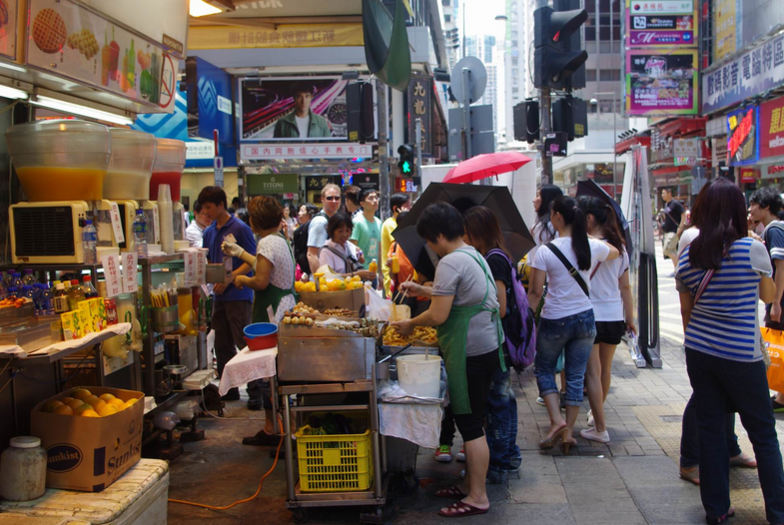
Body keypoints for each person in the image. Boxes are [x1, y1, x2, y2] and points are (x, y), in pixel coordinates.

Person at [676, 178, 784, 525]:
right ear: (739, 211)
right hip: (742, 357)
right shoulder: (751, 249)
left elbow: (687, 311)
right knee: (764, 435)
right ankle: (778, 513)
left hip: (701, 352)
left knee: (711, 431)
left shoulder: (689, 253)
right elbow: (768, 297)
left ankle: (717, 510)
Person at [392, 202, 504, 518]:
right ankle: (470, 483)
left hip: (470, 350)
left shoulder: (450, 262)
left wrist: (411, 324)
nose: (429, 246)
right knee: (474, 420)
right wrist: (417, 288)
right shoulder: (472, 254)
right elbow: (455, 296)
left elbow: (440, 314)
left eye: (429, 239)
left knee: (469, 424)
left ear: (440, 235)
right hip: (486, 347)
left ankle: (478, 496)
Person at [677, 183, 757, 486]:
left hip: (708, 345)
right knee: (705, 406)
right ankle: (689, 460)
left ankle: (730, 454)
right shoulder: (696, 239)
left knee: (715, 407)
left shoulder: (742, 244)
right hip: (726, 347)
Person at [527, 196, 619, 454]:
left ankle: (557, 420)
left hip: (554, 319)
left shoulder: (544, 251)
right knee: (576, 376)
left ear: (557, 216)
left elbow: (535, 293)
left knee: (545, 370)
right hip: (585, 319)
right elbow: (615, 252)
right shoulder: (591, 246)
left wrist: (525, 322)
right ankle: (568, 432)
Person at [222, 197, 297, 438]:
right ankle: (278, 426)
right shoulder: (279, 239)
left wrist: (243, 280)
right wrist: (240, 252)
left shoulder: (266, 242)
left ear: (255, 221)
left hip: (272, 313)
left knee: (269, 371)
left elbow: (261, 280)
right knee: (277, 371)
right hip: (285, 306)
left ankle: (274, 428)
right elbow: (266, 267)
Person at [462, 206, 522, 483]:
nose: (463, 236)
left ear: (478, 231)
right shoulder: (497, 255)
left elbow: (499, 307)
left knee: (498, 402)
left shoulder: (493, 259)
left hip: (498, 342)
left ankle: (499, 463)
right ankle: (509, 456)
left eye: (467, 231)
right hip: (500, 340)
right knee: (503, 401)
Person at [576, 196, 634, 444]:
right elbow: (626, 287)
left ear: (589, 218)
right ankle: (595, 413)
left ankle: (598, 424)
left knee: (593, 371)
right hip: (614, 316)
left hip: (591, 314)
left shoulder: (583, 246)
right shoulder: (619, 248)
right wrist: (630, 318)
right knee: (606, 369)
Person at [199, 186, 257, 401]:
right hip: (218, 296)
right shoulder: (209, 231)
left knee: (244, 343)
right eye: (203, 208)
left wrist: (229, 278)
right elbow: (209, 262)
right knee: (222, 344)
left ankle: (255, 392)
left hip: (239, 295)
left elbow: (252, 261)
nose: (206, 212)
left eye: (209, 207)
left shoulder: (240, 228)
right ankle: (229, 388)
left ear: (221, 205)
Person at [748, 187, 784, 413]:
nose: (750, 209)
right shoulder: (773, 229)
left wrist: (777, 302)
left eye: (753, 204)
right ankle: (781, 397)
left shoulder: (774, 230)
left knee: (777, 345)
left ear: (766, 207)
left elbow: (780, 267)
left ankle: (780, 399)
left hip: (782, 299)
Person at [318, 213, 376, 280]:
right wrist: (355, 275)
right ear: (332, 230)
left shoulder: (348, 245)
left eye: (348, 231)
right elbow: (328, 277)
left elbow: (360, 257)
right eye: (340, 231)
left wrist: (360, 253)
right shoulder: (326, 251)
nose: (345, 234)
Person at [307, 184, 342, 274]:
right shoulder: (320, 222)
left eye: (337, 198)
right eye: (329, 198)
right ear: (322, 199)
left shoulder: (333, 220)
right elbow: (312, 254)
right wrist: (321, 280)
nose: (333, 201)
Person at [381, 193, 412, 297]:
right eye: (407, 206)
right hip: (393, 275)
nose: (410, 208)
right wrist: (404, 218)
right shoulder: (390, 223)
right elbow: (403, 239)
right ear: (396, 208)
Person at [350, 189, 382, 275]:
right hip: (360, 272)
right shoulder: (357, 222)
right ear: (362, 204)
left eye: (376, 197)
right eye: (371, 198)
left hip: (374, 272)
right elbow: (352, 248)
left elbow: (379, 250)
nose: (375, 201)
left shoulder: (378, 222)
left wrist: (381, 273)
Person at [530, 185, 564, 261]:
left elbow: (534, 260)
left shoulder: (541, 227)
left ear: (547, 199)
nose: (534, 200)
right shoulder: (564, 225)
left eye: (538, 195)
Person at [660, 188, 685, 275]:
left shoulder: (675, 203)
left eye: (664, 193)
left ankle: (679, 268)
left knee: (667, 249)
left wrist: (680, 227)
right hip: (667, 231)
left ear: (669, 193)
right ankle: (677, 270)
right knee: (672, 251)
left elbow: (683, 214)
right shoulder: (667, 204)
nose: (662, 195)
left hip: (674, 231)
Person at [293, 203, 318, 274]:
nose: (299, 213)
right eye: (299, 211)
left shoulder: (311, 228)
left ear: (310, 213)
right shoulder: (300, 228)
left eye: (302, 211)